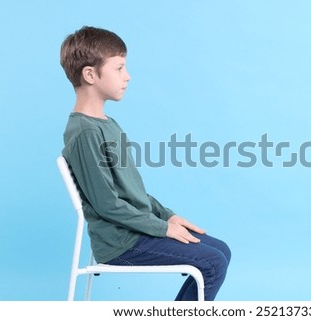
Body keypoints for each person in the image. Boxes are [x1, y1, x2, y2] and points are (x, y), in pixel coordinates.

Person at [59, 26, 230, 301]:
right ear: (90, 74)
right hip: (121, 244)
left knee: (221, 251)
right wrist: (162, 228)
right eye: (119, 68)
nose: (127, 77)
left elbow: (131, 191)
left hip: (137, 230)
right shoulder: (85, 133)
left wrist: (167, 215)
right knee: (213, 262)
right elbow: (107, 204)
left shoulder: (106, 125)